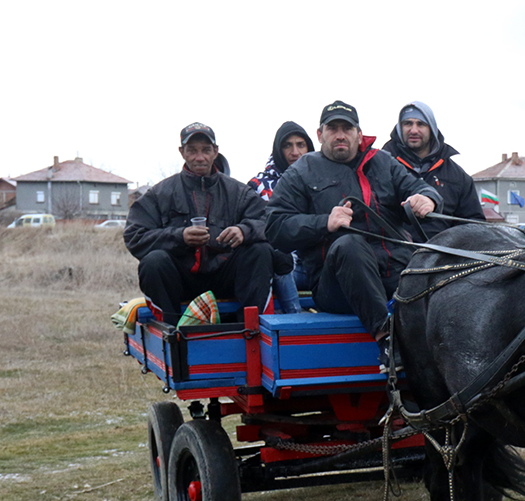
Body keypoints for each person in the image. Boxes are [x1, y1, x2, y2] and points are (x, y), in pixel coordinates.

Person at [265, 101, 442, 367]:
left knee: (443, 258)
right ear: (320, 134)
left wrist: (427, 199)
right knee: (349, 244)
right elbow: (275, 228)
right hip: (336, 285)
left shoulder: (383, 162)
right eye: (333, 128)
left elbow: (419, 188)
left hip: (394, 275)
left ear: (358, 134)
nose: (340, 135)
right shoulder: (301, 171)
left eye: (347, 128)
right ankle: (387, 340)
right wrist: (325, 222)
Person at [124, 123, 275, 326]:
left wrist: (244, 231)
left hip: (227, 278)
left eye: (206, 150)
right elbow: (134, 236)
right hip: (180, 281)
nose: (200, 157)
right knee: (154, 261)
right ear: (182, 152)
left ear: (216, 152)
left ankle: (251, 329)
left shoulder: (238, 192)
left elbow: (272, 223)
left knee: (260, 250)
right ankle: (171, 333)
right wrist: (179, 237)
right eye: (192, 150)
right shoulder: (160, 193)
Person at [382, 101, 484, 240]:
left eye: (421, 124)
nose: (414, 130)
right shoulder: (380, 166)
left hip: (442, 257)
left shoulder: (458, 176)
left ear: (432, 129)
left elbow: (475, 224)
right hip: (391, 255)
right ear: (399, 128)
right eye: (407, 123)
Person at [248, 121, 317, 313]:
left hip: (318, 262)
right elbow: (257, 227)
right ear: (278, 150)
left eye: (300, 145)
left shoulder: (324, 180)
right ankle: (294, 324)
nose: (295, 152)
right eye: (287, 145)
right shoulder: (258, 186)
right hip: (285, 267)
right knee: (279, 258)